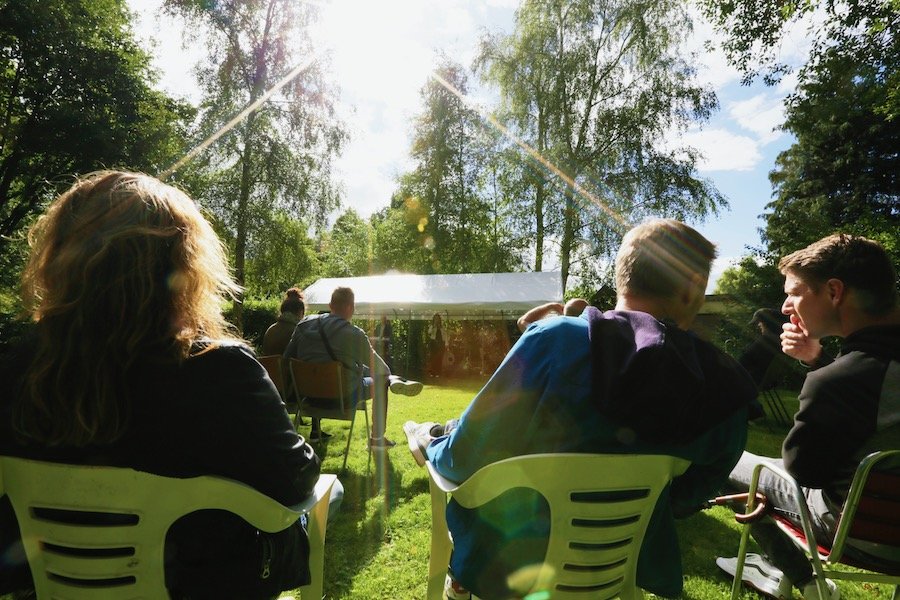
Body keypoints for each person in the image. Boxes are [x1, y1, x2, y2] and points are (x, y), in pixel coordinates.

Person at [0, 171, 323, 599]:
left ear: (61, 257)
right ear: (184, 265)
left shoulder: (15, 368)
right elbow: (295, 479)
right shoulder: (221, 370)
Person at [405, 219, 756, 599]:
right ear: (691, 292)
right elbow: (689, 495)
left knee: (441, 446)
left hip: (508, 565)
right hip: (621, 566)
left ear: (624, 277)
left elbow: (462, 458)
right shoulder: (723, 384)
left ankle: (458, 581)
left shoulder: (557, 339)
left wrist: (431, 443)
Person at [717, 234, 900, 600]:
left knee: (727, 457)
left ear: (834, 291)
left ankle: (804, 578)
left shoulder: (837, 383)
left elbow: (805, 471)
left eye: (794, 292)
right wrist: (818, 362)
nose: (786, 307)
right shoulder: (856, 375)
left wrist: (820, 376)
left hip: (863, 534)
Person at [284, 287, 423, 449]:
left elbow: (286, 360)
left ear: (330, 305)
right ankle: (377, 438)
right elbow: (381, 369)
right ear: (351, 308)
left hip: (306, 399)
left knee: (355, 368)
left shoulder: (303, 326)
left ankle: (394, 380)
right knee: (383, 378)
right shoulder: (355, 334)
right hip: (342, 398)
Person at [427, 312, 446, 378]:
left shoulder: (442, 327)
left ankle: (438, 373)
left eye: (438, 319)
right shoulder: (431, 326)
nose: (437, 320)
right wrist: (434, 326)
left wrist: (446, 343)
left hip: (441, 344)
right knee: (433, 358)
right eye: (435, 319)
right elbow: (429, 333)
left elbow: (444, 336)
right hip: (433, 343)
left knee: (439, 358)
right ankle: (432, 373)